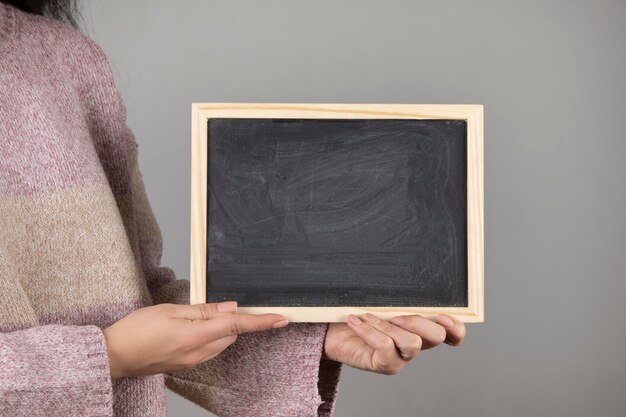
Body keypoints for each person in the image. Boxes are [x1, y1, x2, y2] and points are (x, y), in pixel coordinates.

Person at [0, 1, 467, 416]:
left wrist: (313, 339)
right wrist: (106, 356)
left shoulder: (63, 59)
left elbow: (138, 304)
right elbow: (121, 342)